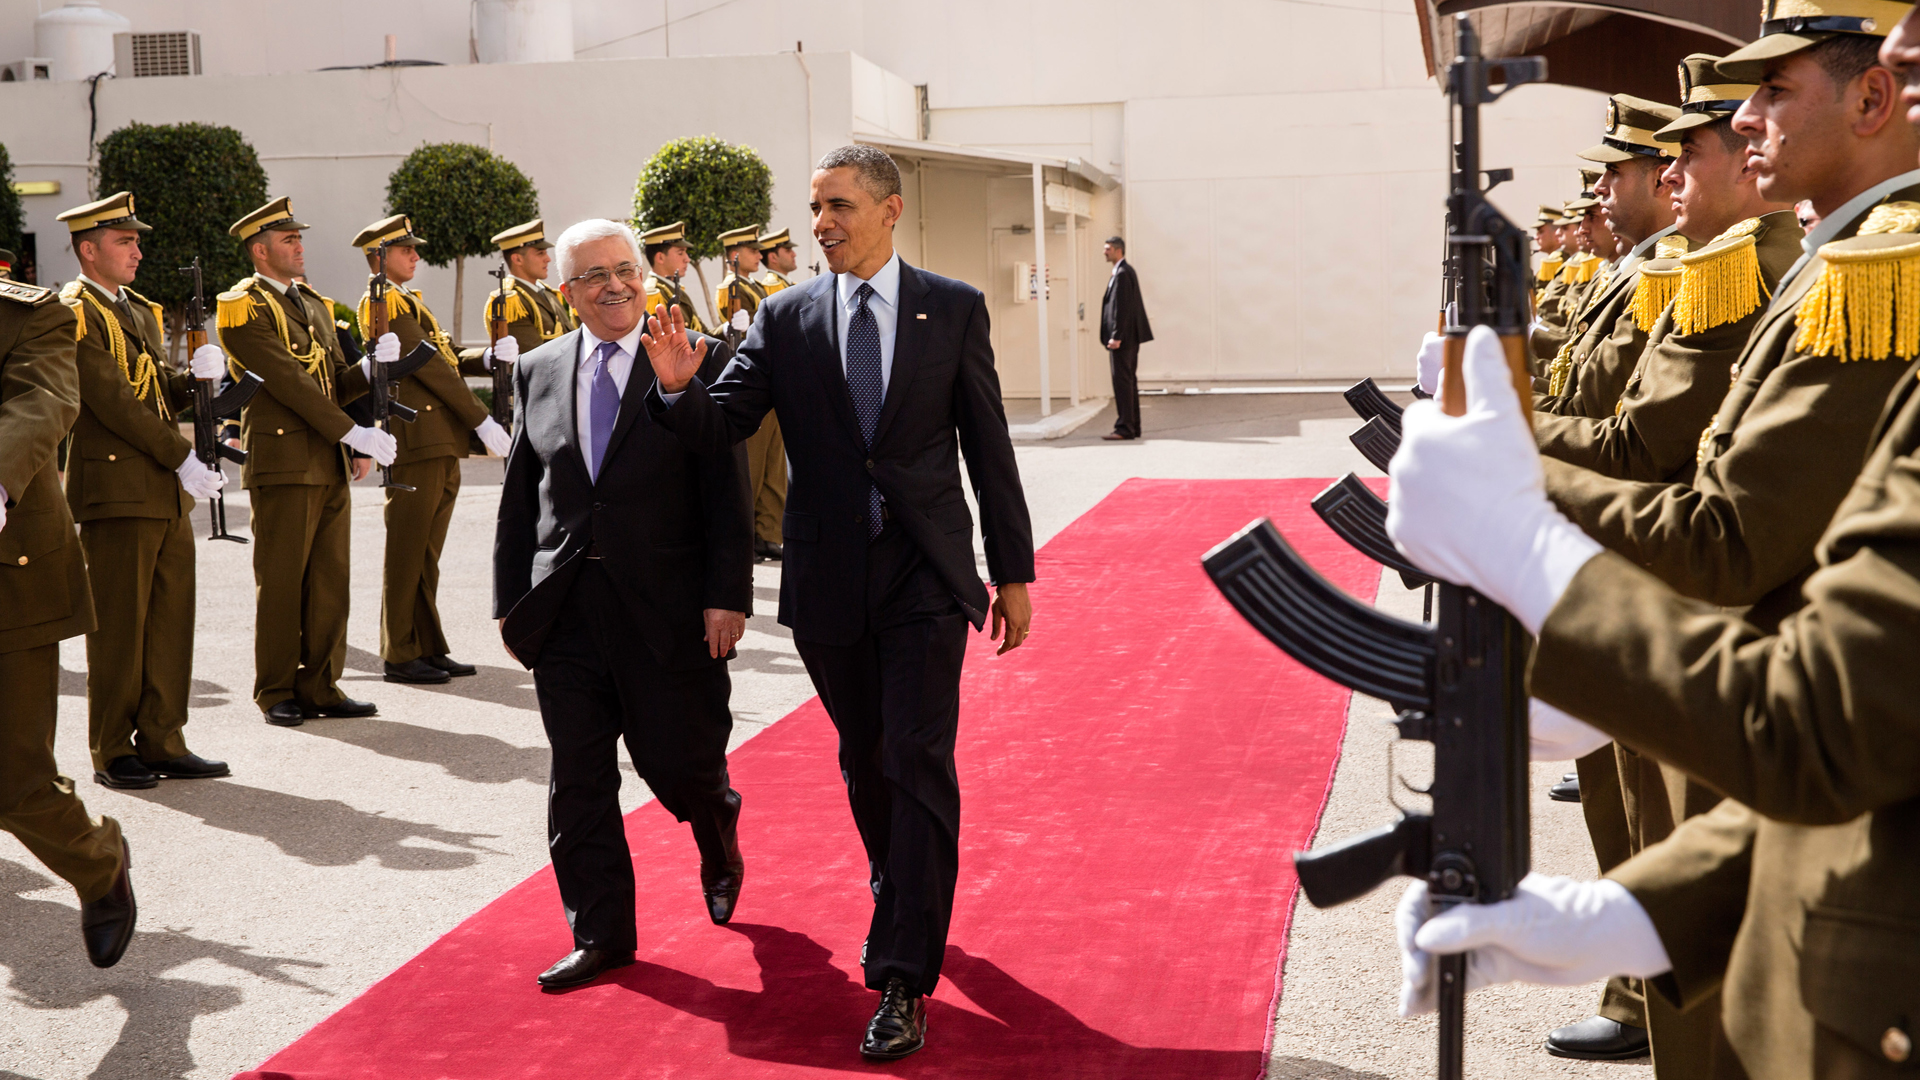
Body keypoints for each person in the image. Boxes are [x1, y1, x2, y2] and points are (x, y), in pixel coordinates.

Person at [1385, 9, 1920, 1076]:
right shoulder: (1837, 262)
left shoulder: (1879, 272)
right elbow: (1886, 719)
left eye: (1773, 92)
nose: (1903, 56)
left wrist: (1522, 516)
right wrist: (1630, 915)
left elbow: (1807, 673)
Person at [639, 144, 1036, 1061]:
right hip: (828, 580)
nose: (822, 224)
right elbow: (722, 425)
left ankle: (903, 973)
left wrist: (1012, 572)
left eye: (840, 206)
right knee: (865, 759)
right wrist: (673, 389)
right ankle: (903, 885)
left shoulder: (954, 308)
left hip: (926, 574)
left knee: (914, 754)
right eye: (815, 207)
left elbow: (989, 448)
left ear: (892, 210)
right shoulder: (785, 318)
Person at [492, 218, 752, 991]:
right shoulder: (537, 369)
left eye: (624, 269)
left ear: (644, 276)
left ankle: (714, 818)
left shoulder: (695, 355)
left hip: (669, 606)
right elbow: (517, 498)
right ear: (566, 292)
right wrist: (512, 604)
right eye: (593, 275)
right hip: (566, 607)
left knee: (680, 760)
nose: (614, 285)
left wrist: (725, 595)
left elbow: (724, 485)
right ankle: (602, 932)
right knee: (579, 777)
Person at [54, 191, 231, 789]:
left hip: (161, 488)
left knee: (170, 620)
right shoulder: (74, 310)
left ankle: (162, 737)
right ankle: (111, 748)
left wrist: (194, 380)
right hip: (117, 487)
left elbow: (153, 389)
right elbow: (111, 400)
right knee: (120, 626)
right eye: (124, 241)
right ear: (88, 249)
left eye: (136, 240)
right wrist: (183, 457)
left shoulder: (138, 309)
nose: (137, 250)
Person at [0, 270, 138, 970]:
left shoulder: (32, 314)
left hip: (10, 575)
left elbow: (45, 400)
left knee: (14, 778)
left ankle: (97, 863)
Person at [218, 197, 396, 726]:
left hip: (326, 458)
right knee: (281, 580)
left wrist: (367, 369)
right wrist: (355, 433)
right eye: (288, 239)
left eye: (299, 237)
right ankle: (275, 689)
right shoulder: (243, 307)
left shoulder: (313, 304)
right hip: (284, 459)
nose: (300, 246)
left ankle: (321, 684)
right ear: (260, 249)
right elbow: (289, 383)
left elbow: (334, 382)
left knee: (328, 578)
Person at [351, 215, 512, 685]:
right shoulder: (381, 303)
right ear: (379, 257)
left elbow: (441, 355)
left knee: (426, 552)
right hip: (416, 438)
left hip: (437, 439)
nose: (416, 256)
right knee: (407, 550)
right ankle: (399, 652)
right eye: (406, 250)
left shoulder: (408, 302)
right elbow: (433, 372)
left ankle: (426, 643)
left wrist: (482, 358)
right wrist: (480, 418)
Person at [1537, 94, 1683, 419]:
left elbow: (1593, 413)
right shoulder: (1641, 267)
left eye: (1613, 171)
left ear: (1660, 180)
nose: (1600, 187)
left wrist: (1494, 407)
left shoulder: (1663, 274)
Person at [463, 217, 579, 408]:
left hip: (564, 391)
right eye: (540, 253)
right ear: (517, 259)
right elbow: (534, 360)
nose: (548, 258)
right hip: (542, 398)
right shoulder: (511, 300)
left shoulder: (547, 294)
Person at [743, 225, 796, 562]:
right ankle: (748, 531)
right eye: (752, 250)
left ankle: (767, 531)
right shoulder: (764, 287)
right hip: (763, 377)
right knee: (754, 463)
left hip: (782, 379)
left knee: (774, 465)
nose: (758, 255)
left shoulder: (772, 287)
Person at [1099, 236, 1153, 440]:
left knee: (1123, 382)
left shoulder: (1122, 273)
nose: (1105, 252)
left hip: (1123, 340)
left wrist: (1116, 336)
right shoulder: (1122, 272)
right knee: (1128, 382)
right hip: (1129, 338)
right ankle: (1132, 427)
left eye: (1108, 249)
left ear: (1118, 250)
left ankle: (1125, 428)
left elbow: (1122, 309)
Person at [640, 220, 707, 334]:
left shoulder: (675, 289)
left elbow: (704, 334)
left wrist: (726, 329)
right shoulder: (653, 294)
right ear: (660, 258)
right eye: (680, 253)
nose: (687, 259)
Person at [714, 224, 767, 340]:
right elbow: (758, 323)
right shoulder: (731, 287)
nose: (760, 256)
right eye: (754, 251)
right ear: (735, 256)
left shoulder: (753, 284)